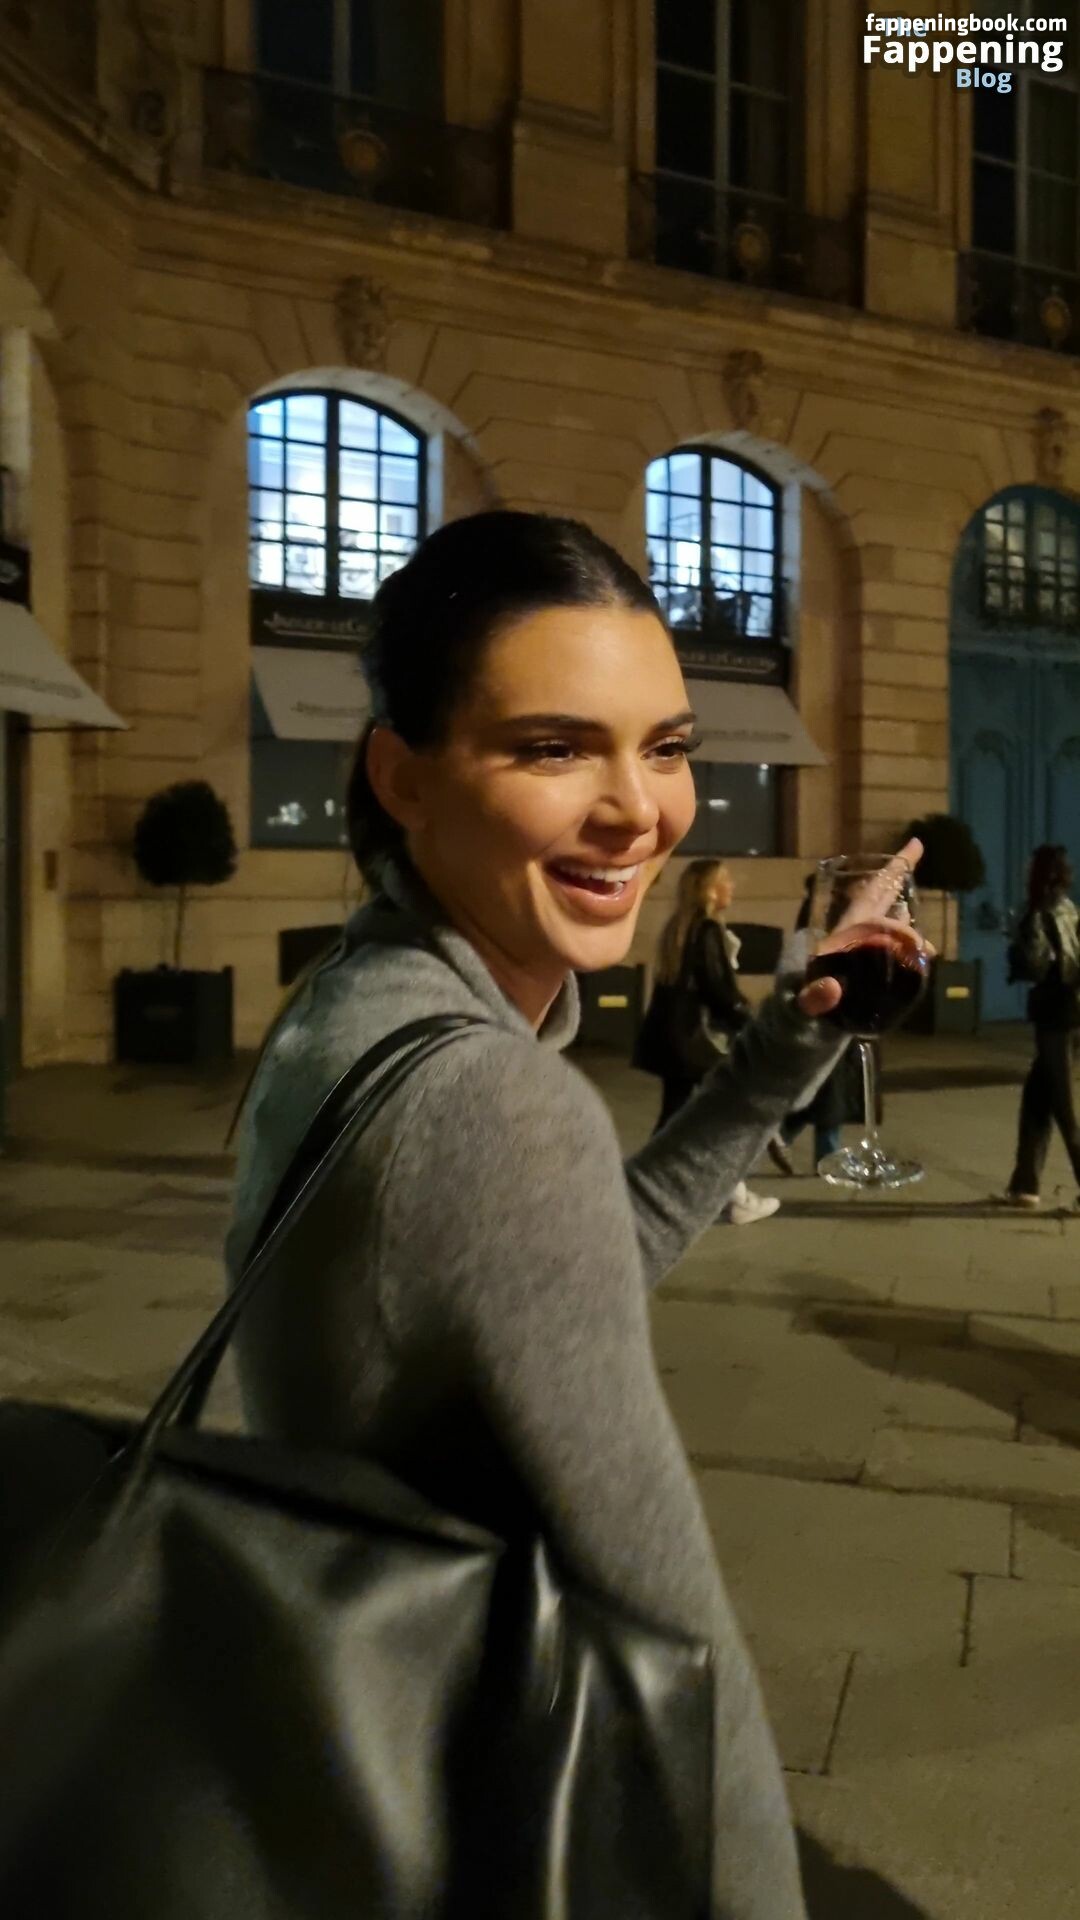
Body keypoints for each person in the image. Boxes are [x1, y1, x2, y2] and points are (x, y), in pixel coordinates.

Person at [225, 510, 925, 1920]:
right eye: (553, 749)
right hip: (489, 1809)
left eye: (664, 747)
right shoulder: (490, 1099)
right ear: (402, 777)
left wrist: (787, 1041)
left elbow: (572, 1260)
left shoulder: (353, 1008)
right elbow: (671, 1624)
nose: (638, 811)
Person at [645, 857, 781, 1224]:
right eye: (725, 881)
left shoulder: (678, 927)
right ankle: (733, 1199)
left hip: (675, 1039)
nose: (731, 887)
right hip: (699, 1041)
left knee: (676, 1115)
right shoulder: (707, 930)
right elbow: (717, 989)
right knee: (727, 1116)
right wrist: (750, 1020)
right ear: (708, 890)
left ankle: (651, 1185)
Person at [999, 842, 1080, 1209]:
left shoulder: (1037, 912)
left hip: (1055, 1015)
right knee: (1036, 1100)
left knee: (1064, 1109)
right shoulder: (1069, 908)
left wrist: (1017, 944)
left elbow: (1035, 965)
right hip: (1071, 1011)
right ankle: (1025, 1185)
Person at [772, 873, 866, 1173]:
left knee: (824, 1095)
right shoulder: (814, 934)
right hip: (824, 1022)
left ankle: (784, 1136)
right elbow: (790, 980)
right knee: (826, 1095)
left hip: (843, 1024)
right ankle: (825, 1155)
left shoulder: (853, 928)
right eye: (860, 886)